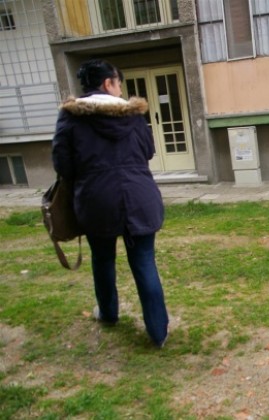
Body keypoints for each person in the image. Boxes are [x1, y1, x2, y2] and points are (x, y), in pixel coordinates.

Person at [52, 59, 169, 348]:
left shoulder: (71, 118)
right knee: (143, 262)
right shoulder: (132, 116)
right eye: (119, 83)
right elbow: (148, 151)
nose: (120, 89)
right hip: (139, 195)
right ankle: (158, 333)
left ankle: (108, 314)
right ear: (108, 83)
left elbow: (62, 164)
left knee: (102, 259)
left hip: (95, 200)